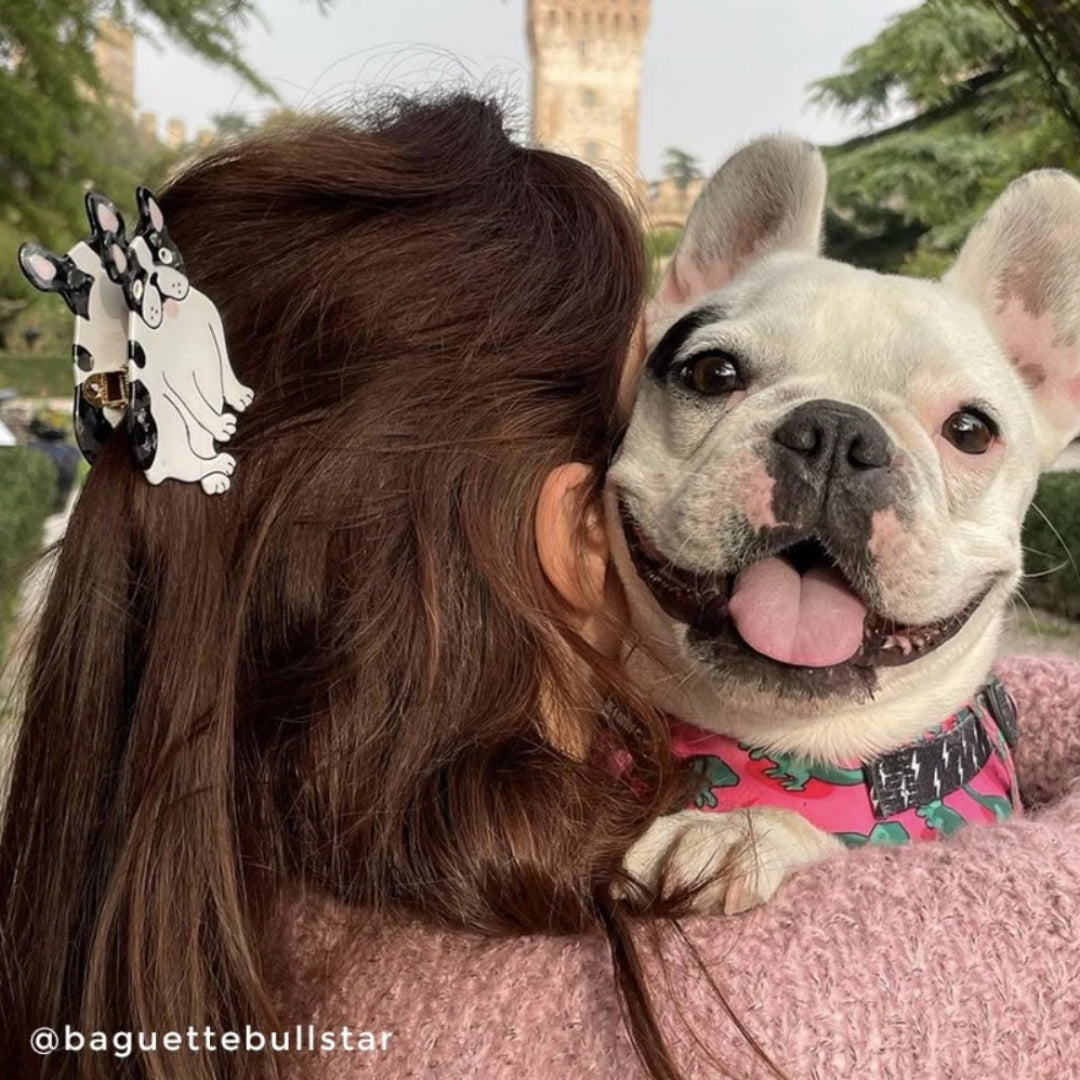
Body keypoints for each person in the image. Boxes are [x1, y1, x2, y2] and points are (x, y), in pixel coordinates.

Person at [0, 94, 1077, 1080]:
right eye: (711, 377)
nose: (830, 460)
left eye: (967, 430)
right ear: (570, 528)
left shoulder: (119, 848)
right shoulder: (732, 1004)